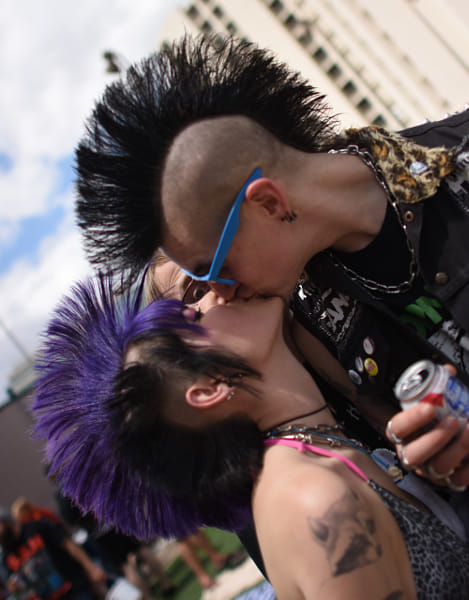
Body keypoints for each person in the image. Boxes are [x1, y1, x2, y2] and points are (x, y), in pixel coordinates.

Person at [74, 34, 469, 492]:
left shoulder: (458, 164)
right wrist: (442, 461)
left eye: (213, 269)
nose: (220, 295)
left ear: (268, 203)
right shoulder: (316, 324)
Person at [32, 273, 469, 599]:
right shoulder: (316, 502)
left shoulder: (321, 452)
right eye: (193, 312)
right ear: (208, 389)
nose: (220, 288)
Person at [0, 511, 107, 600]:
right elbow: (14, 585)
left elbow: (68, 544)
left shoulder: (36, 527)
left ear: (5, 521)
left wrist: (91, 568)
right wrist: (14, 588)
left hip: (75, 588)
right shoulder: (5, 558)